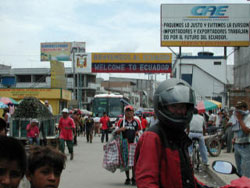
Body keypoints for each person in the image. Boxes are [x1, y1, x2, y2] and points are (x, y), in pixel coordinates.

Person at [134, 78, 207, 188]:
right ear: (161, 106)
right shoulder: (153, 137)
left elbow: (184, 175)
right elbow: (146, 181)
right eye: (174, 106)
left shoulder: (179, 136)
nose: (179, 111)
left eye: (182, 107)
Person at [116, 105, 141, 185]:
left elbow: (141, 131)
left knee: (134, 162)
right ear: (125, 112)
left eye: (130, 111)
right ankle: (127, 178)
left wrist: (138, 133)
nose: (129, 112)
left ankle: (134, 178)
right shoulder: (121, 121)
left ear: (133, 112)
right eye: (127, 111)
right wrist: (120, 129)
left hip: (134, 144)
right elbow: (115, 132)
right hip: (124, 144)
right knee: (126, 162)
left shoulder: (137, 121)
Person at [232, 101, 250, 178]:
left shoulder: (248, 117)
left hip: (246, 146)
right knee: (239, 170)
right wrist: (235, 138)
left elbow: (246, 130)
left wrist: (240, 120)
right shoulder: (239, 117)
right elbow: (238, 131)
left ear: (244, 109)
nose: (237, 112)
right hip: (237, 145)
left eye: (239, 109)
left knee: (246, 170)